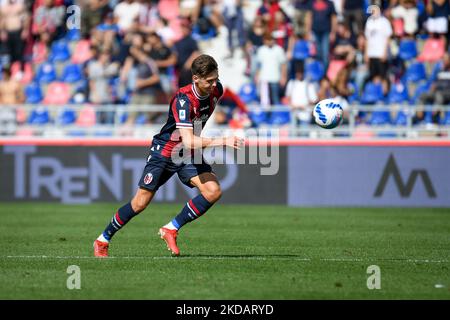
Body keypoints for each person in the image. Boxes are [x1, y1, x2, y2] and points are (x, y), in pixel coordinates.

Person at [93, 54, 243, 257]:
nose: (214, 84)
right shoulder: (183, 100)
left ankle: (171, 228)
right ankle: (103, 239)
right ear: (196, 78)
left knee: (212, 191)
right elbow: (189, 139)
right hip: (165, 152)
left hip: (186, 154)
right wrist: (222, 140)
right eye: (209, 80)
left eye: (216, 78)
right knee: (140, 203)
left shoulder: (217, 90)